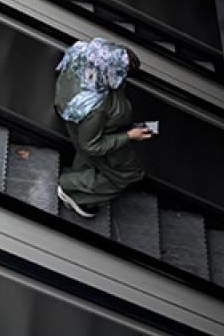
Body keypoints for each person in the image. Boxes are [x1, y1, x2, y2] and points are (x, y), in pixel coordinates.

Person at [55, 37, 152, 218]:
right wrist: (130, 136)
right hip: (100, 133)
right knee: (128, 175)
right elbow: (91, 145)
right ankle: (70, 187)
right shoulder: (95, 108)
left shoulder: (83, 54)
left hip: (78, 123)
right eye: (121, 74)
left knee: (85, 154)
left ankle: (78, 182)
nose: (122, 79)